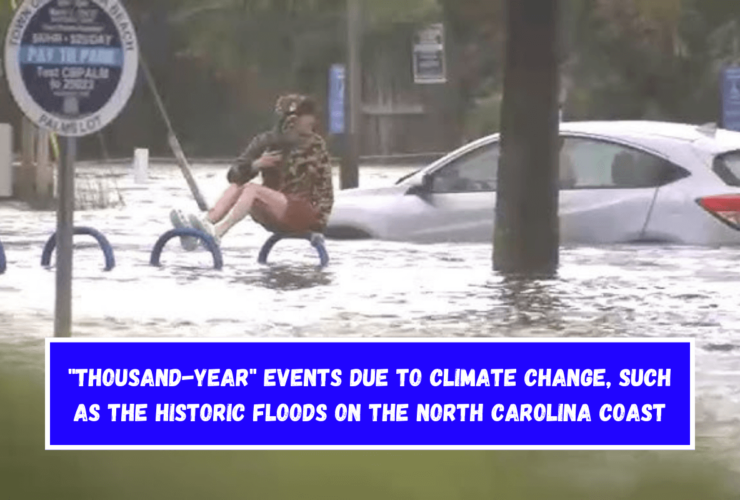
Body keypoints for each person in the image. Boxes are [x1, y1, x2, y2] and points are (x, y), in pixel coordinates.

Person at [172, 94, 334, 249]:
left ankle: (218, 232)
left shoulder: (316, 145)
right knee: (239, 186)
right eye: (306, 115)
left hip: (301, 211)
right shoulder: (267, 141)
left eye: (312, 115)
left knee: (252, 189)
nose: (312, 119)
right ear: (289, 119)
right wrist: (256, 165)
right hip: (273, 209)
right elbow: (233, 175)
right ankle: (203, 225)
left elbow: (326, 188)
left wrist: (319, 226)